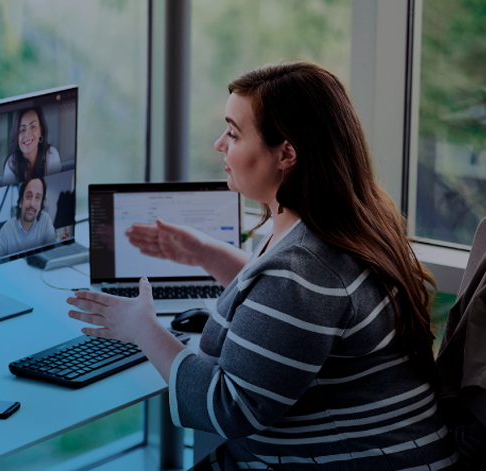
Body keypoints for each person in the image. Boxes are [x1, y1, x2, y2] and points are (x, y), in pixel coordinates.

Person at [67, 62, 461, 470]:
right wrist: (206, 253)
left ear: (286, 153)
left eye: (234, 133)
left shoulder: (304, 271)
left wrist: (142, 328)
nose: (220, 144)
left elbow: (228, 408)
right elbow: (290, 315)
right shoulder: (347, 223)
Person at [0, 177, 56, 257]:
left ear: (41, 205)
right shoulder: (6, 230)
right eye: (29, 196)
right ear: (20, 202)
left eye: (37, 198)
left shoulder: (45, 220)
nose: (32, 204)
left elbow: (53, 250)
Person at [2, 106, 62, 185]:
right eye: (22, 130)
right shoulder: (11, 164)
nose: (27, 134)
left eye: (33, 127)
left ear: (40, 131)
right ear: (17, 136)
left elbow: (57, 188)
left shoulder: (52, 155)